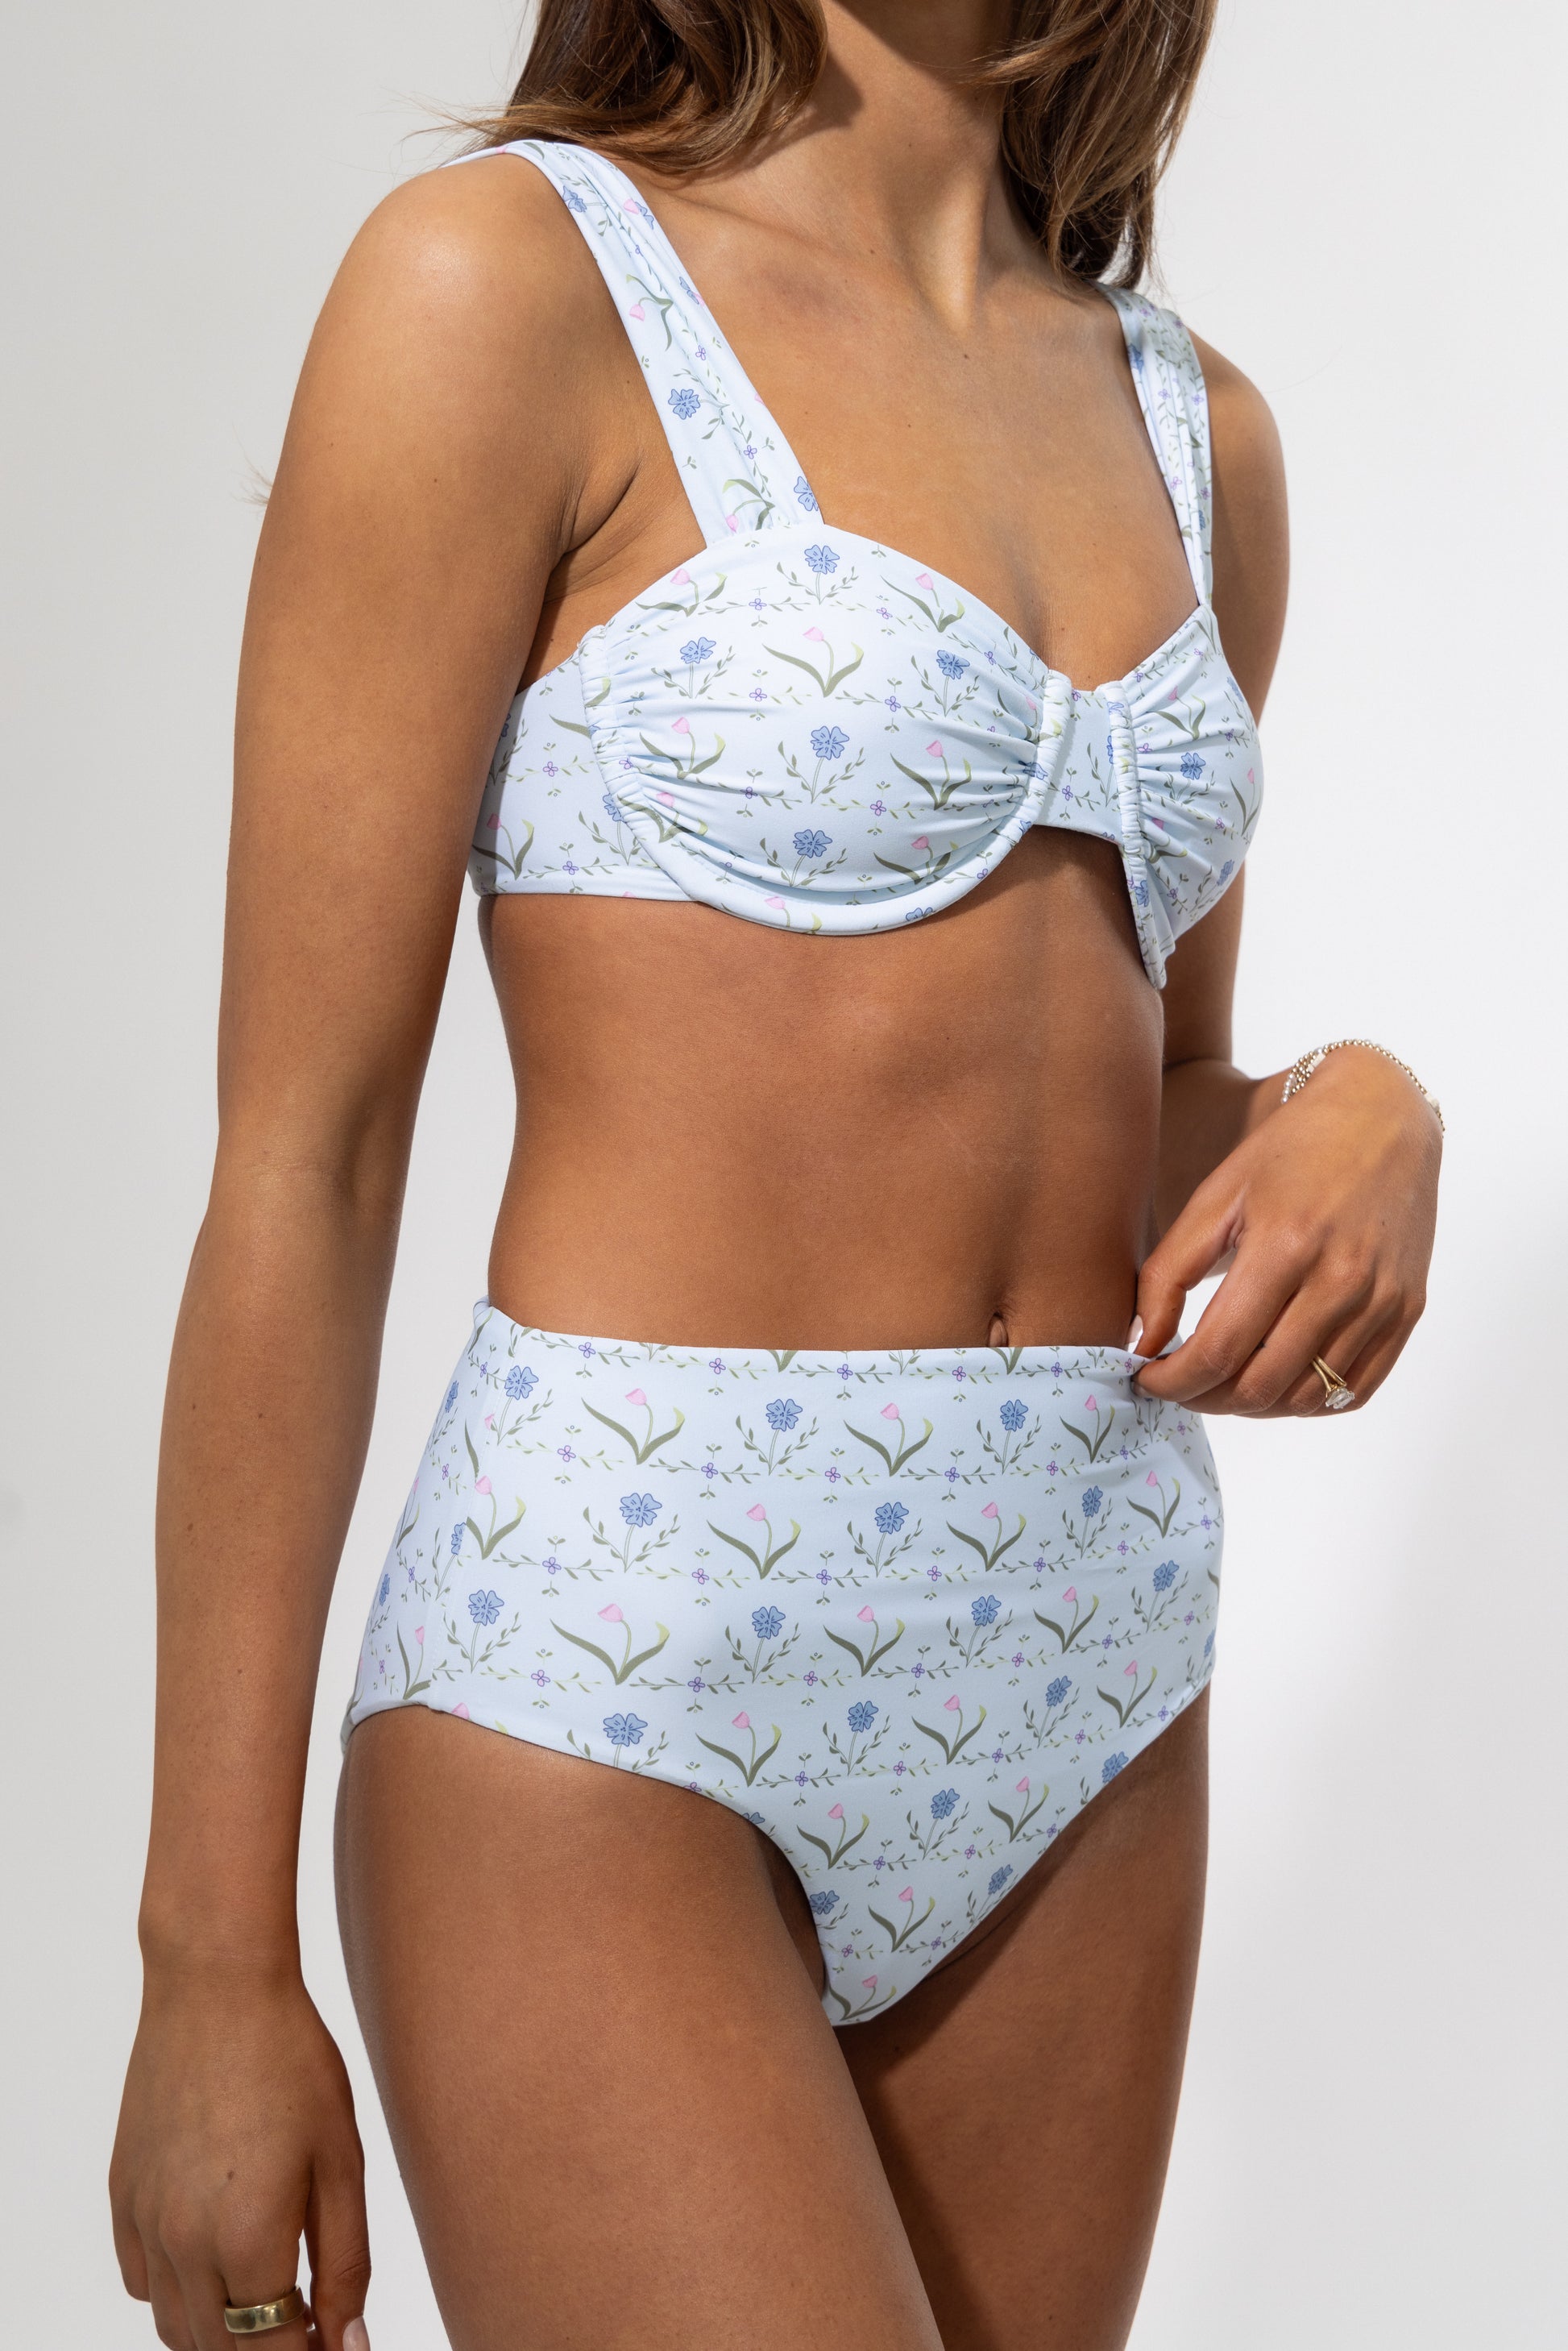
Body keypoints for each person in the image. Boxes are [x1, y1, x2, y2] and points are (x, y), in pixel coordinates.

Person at [110, 4, 1442, 2345]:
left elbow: (1138, 1101)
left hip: (1086, 1665)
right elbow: (304, 1168)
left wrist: (1358, 1106)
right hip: (611, 1661)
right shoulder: (502, 287)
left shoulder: (1196, 430)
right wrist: (208, 1960)